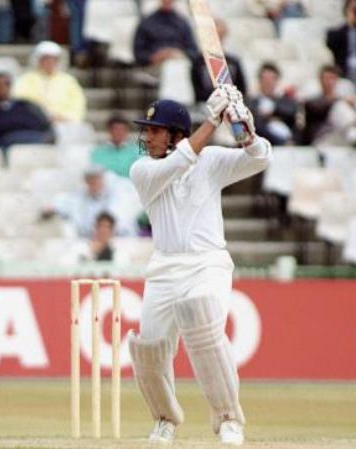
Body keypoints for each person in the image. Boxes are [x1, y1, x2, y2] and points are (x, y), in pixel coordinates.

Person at [126, 86, 271, 445]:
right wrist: (211, 121)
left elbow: (259, 159)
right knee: (148, 348)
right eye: (147, 130)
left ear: (175, 134)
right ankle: (164, 419)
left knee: (202, 321)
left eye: (155, 130)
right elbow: (180, 162)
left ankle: (228, 419)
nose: (148, 136)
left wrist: (244, 129)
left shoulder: (210, 162)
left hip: (207, 264)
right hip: (164, 268)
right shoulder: (142, 170)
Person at [42, 165, 136, 238]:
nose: (93, 183)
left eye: (96, 179)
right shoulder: (79, 196)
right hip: (87, 240)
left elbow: (120, 221)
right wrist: (51, 208)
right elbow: (60, 204)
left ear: (102, 179)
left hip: (115, 239)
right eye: (89, 180)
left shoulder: (117, 193)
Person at [12, 41, 86, 123]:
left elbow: (78, 105)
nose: (50, 62)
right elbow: (21, 102)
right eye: (46, 59)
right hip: (35, 124)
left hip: (64, 124)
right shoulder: (25, 80)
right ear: (38, 60)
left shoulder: (68, 81)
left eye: (53, 59)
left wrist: (64, 117)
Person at [301, 64, 356, 147]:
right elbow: (316, 107)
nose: (329, 82)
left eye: (332, 78)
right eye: (326, 78)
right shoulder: (314, 101)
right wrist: (341, 100)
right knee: (340, 106)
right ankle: (354, 135)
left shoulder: (344, 101)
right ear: (320, 80)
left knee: (353, 108)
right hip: (323, 138)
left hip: (343, 136)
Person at [193, 18, 247, 103]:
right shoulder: (198, 62)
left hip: (231, 104)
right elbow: (197, 91)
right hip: (206, 105)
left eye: (220, 35)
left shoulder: (234, 62)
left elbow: (241, 90)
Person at [246, 62, 299, 145]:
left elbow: (292, 113)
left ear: (277, 80)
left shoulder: (285, 100)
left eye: (271, 79)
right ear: (259, 81)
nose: (268, 83)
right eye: (265, 79)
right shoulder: (252, 102)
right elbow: (254, 123)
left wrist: (274, 110)